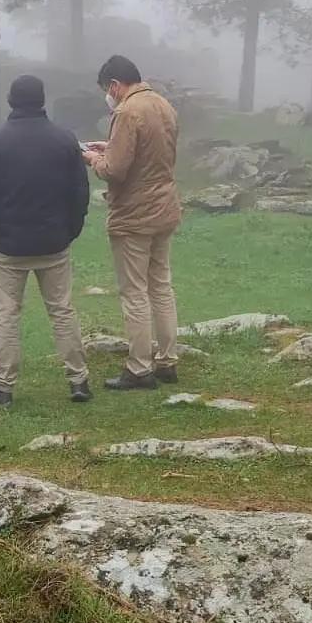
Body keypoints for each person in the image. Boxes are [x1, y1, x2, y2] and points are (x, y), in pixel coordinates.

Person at [0, 74, 92, 406]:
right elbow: (80, 192)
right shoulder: (65, 141)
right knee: (62, 311)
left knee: (6, 314)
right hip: (54, 240)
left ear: (10, 100)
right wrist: (71, 230)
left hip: (7, 245)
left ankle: (3, 386)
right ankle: (78, 380)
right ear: (42, 101)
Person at [83, 55, 181, 391]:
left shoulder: (125, 111)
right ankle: (167, 360)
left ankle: (139, 367)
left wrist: (94, 157)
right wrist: (111, 147)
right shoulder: (163, 105)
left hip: (134, 216)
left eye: (106, 90)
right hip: (165, 208)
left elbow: (115, 171)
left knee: (135, 292)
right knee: (161, 286)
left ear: (114, 85)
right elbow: (152, 152)